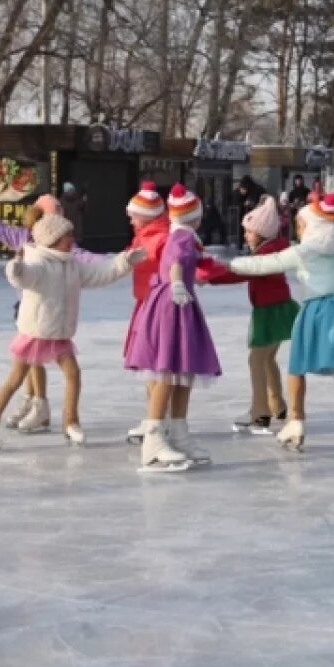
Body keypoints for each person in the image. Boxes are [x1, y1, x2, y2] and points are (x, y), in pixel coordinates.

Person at [228, 194, 334, 452]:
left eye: (300, 224)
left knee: (297, 367)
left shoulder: (303, 251)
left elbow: (266, 263)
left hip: (317, 310)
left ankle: (296, 421)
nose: (298, 228)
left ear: (311, 225)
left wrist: (230, 264)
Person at [0, 214, 141, 451]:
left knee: (73, 374)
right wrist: (16, 269)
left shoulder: (71, 264)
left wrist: (125, 262)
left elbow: (100, 273)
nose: (72, 239)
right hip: (35, 332)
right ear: (52, 239)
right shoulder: (39, 263)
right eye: (67, 236)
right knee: (14, 381)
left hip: (59, 333)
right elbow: (24, 277)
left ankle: (71, 422)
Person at [0, 192, 102, 434]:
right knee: (29, 361)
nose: (59, 226)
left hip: (52, 310)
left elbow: (82, 258)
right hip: (30, 310)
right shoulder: (24, 239)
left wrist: (113, 262)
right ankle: (35, 401)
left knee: (37, 363)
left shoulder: (62, 245)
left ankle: (38, 403)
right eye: (52, 217)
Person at [125, 186, 223, 472]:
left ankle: (179, 433)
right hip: (171, 304)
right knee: (167, 371)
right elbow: (176, 263)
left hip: (180, 303)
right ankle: (154, 440)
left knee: (183, 371)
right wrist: (178, 282)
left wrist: (243, 267)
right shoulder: (180, 236)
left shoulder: (186, 236)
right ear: (196, 217)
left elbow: (205, 267)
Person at [202, 196, 300, 433]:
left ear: (263, 233)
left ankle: (260, 411)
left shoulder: (265, 256)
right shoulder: (274, 249)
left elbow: (241, 273)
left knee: (256, 360)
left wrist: (209, 276)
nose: (245, 236)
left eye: (249, 232)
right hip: (281, 308)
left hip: (270, 312)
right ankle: (277, 404)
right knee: (267, 359)